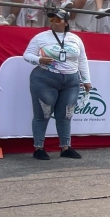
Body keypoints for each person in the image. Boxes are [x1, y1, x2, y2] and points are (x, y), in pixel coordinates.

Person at [22, 8, 91, 160]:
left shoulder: (75, 38)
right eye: (51, 19)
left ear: (66, 22)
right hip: (45, 79)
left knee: (66, 115)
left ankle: (65, 147)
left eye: (57, 19)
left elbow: (82, 60)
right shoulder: (41, 37)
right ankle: (38, 148)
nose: (53, 22)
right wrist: (39, 60)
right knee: (43, 114)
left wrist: (86, 80)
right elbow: (27, 55)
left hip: (71, 81)